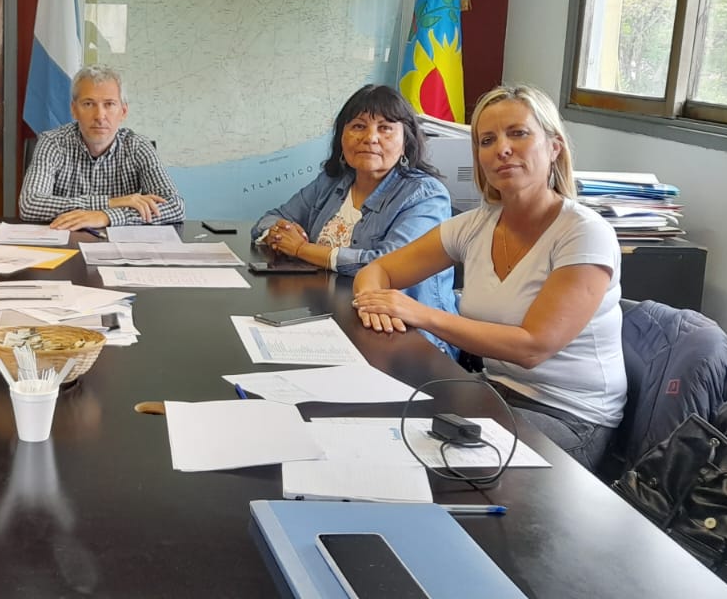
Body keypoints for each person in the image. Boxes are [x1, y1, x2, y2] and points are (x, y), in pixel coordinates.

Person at [350, 85, 624, 471]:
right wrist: (373, 304)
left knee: (435, 470)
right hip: (495, 393)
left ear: (554, 147)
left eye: (518, 133)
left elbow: (532, 347)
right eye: (487, 140)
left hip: (569, 416)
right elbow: (377, 270)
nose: (502, 149)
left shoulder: (584, 233)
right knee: (377, 433)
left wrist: (418, 313)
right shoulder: (475, 225)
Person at [252, 84, 457, 355]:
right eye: (359, 126)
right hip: (332, 316)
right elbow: (268, 220)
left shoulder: (425, 195)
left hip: (408, 338)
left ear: (405, 141)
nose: (370, 138)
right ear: (342, 137)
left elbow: (385, 265)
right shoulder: (331, 182)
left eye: (385, 128)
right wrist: (279, 232)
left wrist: (302, 249)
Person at [18, 65, 185, 229]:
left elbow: (175, 206)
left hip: (122, 244)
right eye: (88, 104)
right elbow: (29, 204)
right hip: (66, 241)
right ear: (74, 110)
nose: (99, 116)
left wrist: (106, 216)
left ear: (123, 112)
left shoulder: (138, 146)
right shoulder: (53, 143)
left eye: (109, 104)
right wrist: (110, 203)